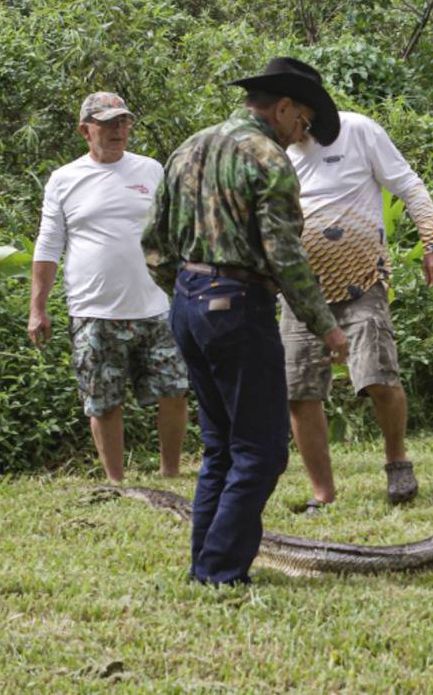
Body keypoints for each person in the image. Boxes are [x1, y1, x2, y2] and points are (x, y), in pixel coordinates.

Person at [141, 57, 350, 585]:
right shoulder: (267, 158)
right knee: (260, 452)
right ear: (282, 108)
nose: (300, 134)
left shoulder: (187, 147)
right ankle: (220, 572)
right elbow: (285, 254)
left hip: (187, 304)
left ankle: (204, 566)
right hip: (238, 306)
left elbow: (153, 243)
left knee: (220, 448)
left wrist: (189, 289)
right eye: (302, 123)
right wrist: (324, 322)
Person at [282, 112, 433, 511]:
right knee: (300, 391)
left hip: (363, 282)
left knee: (379, 376)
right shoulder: (274, 149)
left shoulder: (356, 130)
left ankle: (397, 460)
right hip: (300, 292)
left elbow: (410, 186)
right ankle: (322, 493)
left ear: (303, 108)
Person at [28, 92, 189, 483]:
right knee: (103, 400)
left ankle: (170, 472)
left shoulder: (151, 170)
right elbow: (49, 245)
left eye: (123, 122)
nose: (118, 130)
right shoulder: (65, 179)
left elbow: (176, 230)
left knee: (175, 389)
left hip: (156, 304)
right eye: (108, 123)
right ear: (86, 130)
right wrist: (38, 308)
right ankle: (115, 481)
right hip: (93, 309)